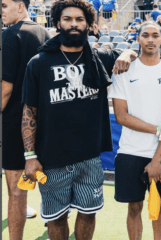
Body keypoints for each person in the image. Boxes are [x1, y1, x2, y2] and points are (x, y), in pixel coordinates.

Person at [21, 0, 137, 239]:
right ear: (57, 23)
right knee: (56, 217)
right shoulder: (39, 63)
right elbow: (29, 111)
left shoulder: (99, 58)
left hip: (90, 158)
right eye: (67, 19)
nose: (74, 24)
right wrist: (30, 156)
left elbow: (131, 52)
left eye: (79, 19)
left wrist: (126, 52)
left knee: (88, 213)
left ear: (89, 25)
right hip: (51, 158)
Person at [108, 21, 161, 240]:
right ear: (138, 38)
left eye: (155, 35)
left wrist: (157, 160)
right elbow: (122, 117)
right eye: (145, 35)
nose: (150, 39)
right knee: (134, 208)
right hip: (130, 151)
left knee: (159, 208)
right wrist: (158, 130)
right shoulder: (123, 71)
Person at [2, 0, 50, 238]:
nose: (1, 11)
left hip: (14, 122)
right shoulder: (46, 33)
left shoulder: (11, 34)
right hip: (45, 120)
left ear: (20, 6)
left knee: (17, 190)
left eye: (4, 5)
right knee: (50, 187)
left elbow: (6, 89)